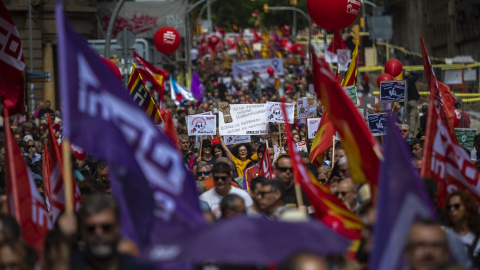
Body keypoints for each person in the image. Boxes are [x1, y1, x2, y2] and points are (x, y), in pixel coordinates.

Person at [71, 194, 154, 269]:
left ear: (118, 227)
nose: (99, 233)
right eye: (91, 228)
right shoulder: (70, 266)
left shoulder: (140, 267)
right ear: (83, 231)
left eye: (106, 227)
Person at [444, 190, 480, 267]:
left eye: (456, 206)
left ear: (467, 209)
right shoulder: (444, 235)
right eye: (449, 207)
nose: (452, 209)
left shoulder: (478, 235)